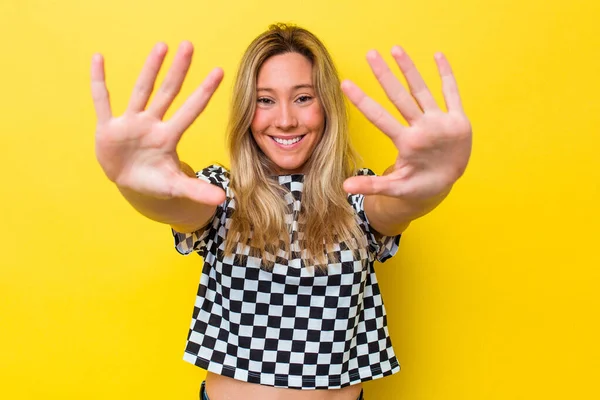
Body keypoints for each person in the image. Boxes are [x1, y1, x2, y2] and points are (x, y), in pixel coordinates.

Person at [91, 23, 472, 400]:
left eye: (303, 98)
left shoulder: (356, 195)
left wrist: (433, 181)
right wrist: (133, 182)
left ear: (326, 107)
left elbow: (397, 202)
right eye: (265, 99)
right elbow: (175, 200)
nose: (286, 119)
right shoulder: (223, 195)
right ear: (245, 110)